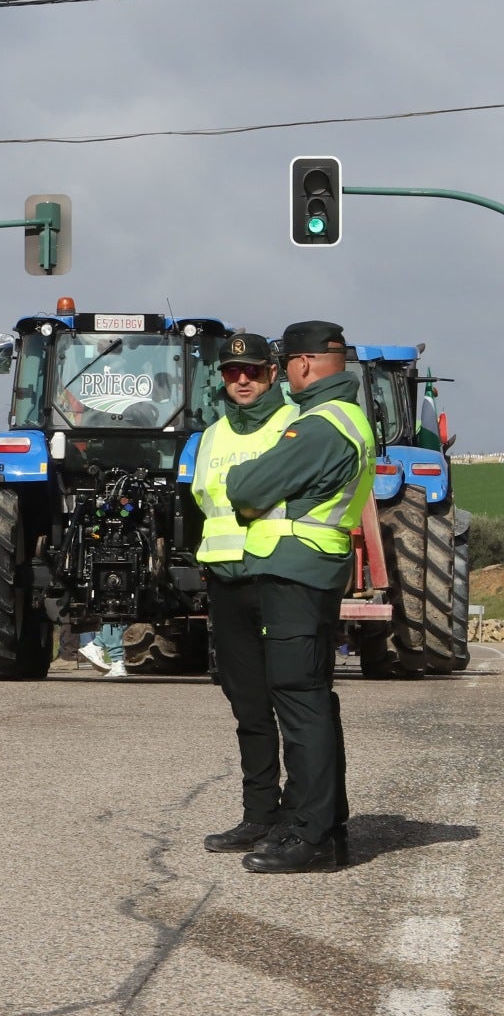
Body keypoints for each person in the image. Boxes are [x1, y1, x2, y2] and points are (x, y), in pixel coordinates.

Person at [220, 321, 372, 874]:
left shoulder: (320, 426)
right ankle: (324, 825)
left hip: (297, 572)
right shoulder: (341, 418)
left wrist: (248, 479)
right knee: (313, 701)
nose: (282, 374)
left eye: (284, 364)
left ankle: (310, 835)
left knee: (300, 702)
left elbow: (247, 488)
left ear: (304, 365)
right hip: (310, 570)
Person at [185, 331, 296, 848]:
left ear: (272, 373)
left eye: (252, 370)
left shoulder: (293, 424)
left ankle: (300, 815)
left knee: (292, 701)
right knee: (247, 706)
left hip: (279, 576)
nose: (242, 379)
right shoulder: (211, 435)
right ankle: (259, 815)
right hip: (227, 581)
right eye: (233, 372)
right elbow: (202, 501)